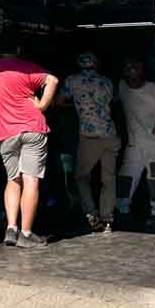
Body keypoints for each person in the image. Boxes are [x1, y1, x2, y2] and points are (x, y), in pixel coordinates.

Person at [0, 27, 59, 249]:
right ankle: (26, 233)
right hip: (32, 128)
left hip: (6, 131)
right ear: (18, 49)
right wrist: (42, 105)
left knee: (13, 179)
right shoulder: (27, 68)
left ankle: (11, 228)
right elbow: (52, 80)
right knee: (31, 179)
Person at [61, 52, 119, 234]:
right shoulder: (107, 82)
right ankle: (108, 219)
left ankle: (92, 215)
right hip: (110, 134)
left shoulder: (72, 81)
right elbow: (113, 102)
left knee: (81, 176)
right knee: (108, 178)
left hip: (89, 136)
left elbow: (60, 101)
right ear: (96, 65)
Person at [116, 60, 155, 233]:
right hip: (134, 143)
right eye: (128, 68)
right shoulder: (122, 87)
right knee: (126, 177)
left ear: (142, 70)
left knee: (154, 177)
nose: (131, 71)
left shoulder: (154, 89)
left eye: (134, 67)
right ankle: (122, 210)